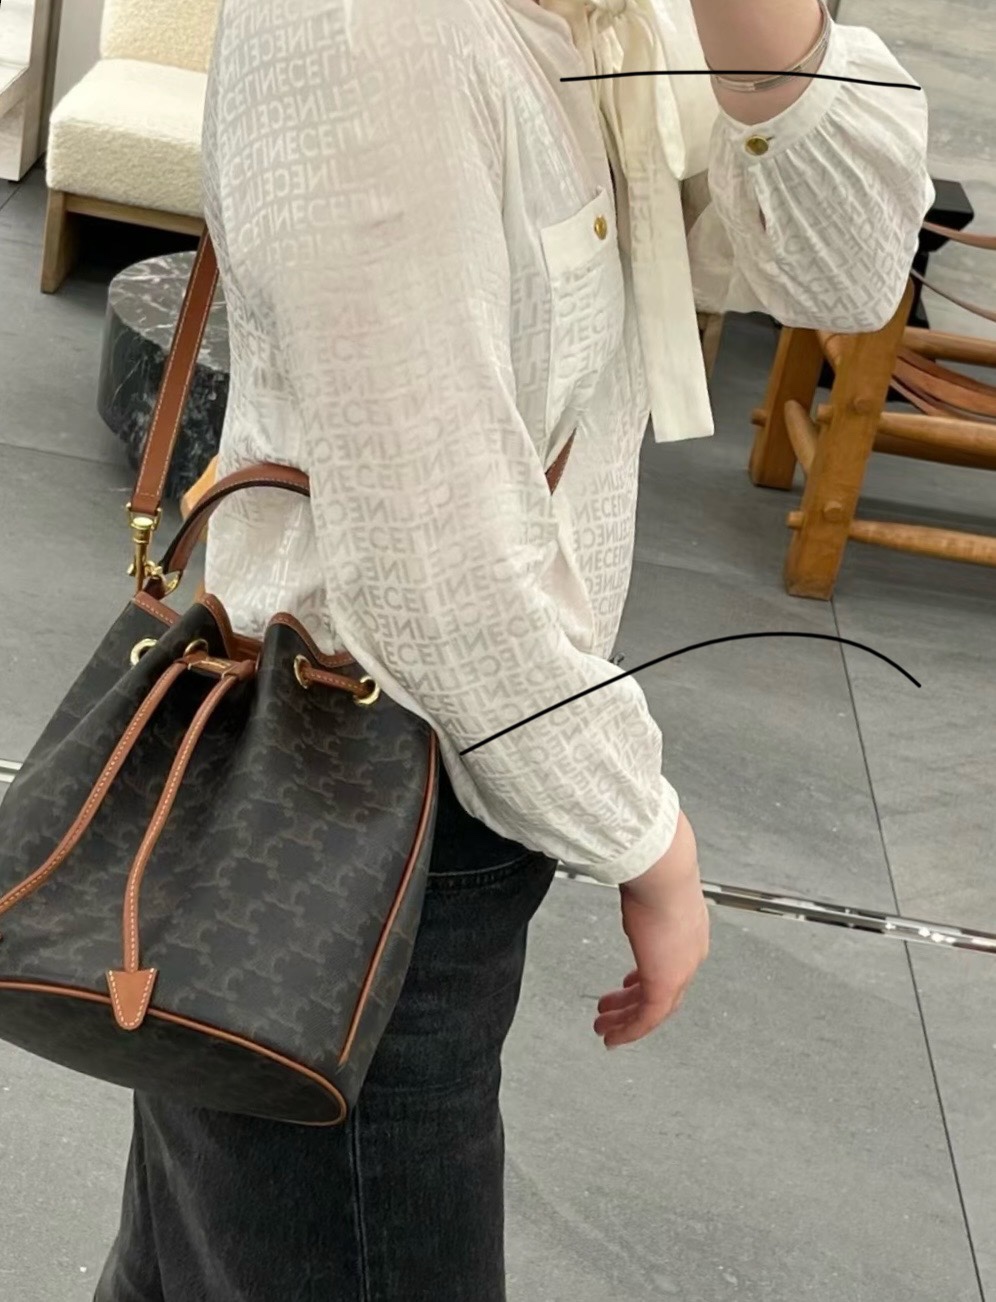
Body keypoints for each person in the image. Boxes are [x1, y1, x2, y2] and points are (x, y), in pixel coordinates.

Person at [95, 1, 932, 1298]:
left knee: (204, 1250)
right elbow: (433, 571)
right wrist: (649, 839)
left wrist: (764, 26)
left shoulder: (605, 21)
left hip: (438, 790)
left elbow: (849, 276)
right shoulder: (370, 30)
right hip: (344, 805)